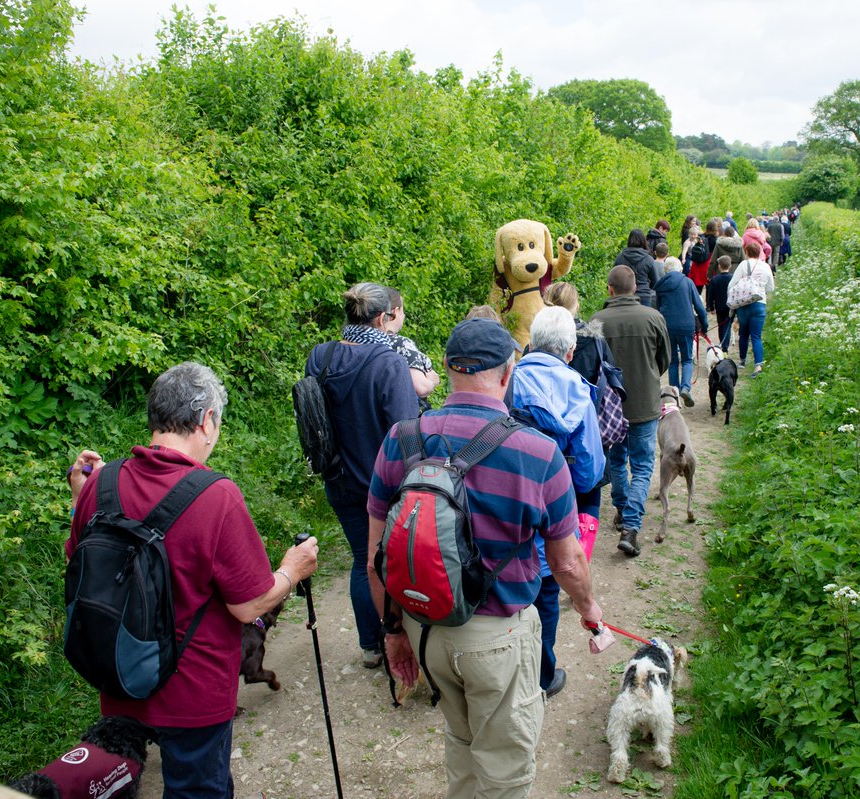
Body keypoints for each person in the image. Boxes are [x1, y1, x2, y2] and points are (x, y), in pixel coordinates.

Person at [367, 318, 603, 799]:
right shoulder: (538, 453)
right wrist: (589, 608)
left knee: (461, 741)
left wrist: (393, 633)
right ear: (508, 372)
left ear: (447, 367)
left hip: (425, 627)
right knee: (505, 772)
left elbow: (377, 558)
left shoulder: (401, 438)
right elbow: (567, 563)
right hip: (497, 640)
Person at [66, 362, 319, 799]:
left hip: (120, 675)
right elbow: (250, 604)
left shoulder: (101, 484)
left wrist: (81, 497)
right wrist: (291, 570)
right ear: (207, 421)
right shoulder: (216, 494)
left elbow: (78, 560)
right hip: (193, 693)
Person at [307, 282, 419, 669]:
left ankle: (371, 645)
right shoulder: (389, 362)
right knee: (399, 561)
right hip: (385, 485)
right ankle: (403, 637)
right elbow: (406, 430)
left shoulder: (320, 356)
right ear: (384, 317)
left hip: (338, 479)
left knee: (363, 561)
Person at [511, 307, 605, 699]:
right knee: (547, 593)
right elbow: (589, 472)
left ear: (531, 343)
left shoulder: (507, 379)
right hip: (551, 509)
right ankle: (542, 675)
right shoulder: (578, 391)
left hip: (504, 505)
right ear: (569, 351)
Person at [591, 265, 669, 558]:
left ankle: (623, 510)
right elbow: (664, 360)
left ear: (610, 289)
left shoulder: (596, 320)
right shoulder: (653, 317)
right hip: (645, 403)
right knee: (643, 465)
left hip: (610, 406)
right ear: (635, 288)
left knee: (616, 459)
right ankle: (631, 527)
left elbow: (592, 364)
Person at [543, 281, 616, 528]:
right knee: (588, 489)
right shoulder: (595, 339)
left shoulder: (538, 338)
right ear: (575, 306)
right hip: (588, 426)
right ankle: (583, 544)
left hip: (548, 429)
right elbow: (611, 378)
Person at [654, 256, 708, 407]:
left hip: (667, 326)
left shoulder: (660, 286)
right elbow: (699, 307)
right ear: (680, 268)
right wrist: (704, 325)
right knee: (687, 359)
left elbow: (658, 308)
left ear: (665, 270)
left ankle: (674, 395)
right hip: (686, 325)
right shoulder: (688, 282)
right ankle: (685, 388)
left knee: (672, 361)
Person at [382, 286, 440, 403]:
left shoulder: (362, 340)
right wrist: (432, 381)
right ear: (395, 312)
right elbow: (421, 388)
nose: (403, 316)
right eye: (402, 311)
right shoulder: (401, 345)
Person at [728, 241, 775, 377]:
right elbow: (771, 288)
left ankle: (742, 360)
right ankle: (758, 365)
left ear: (747, 252)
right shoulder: (765, 266)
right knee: (756, 336)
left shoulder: (743, 265)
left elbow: (732, 284)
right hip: (759, 303)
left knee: (743, 333)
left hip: (743, 304)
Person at [614, 228, 661, 308]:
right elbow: (656, 282)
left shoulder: (620, 257)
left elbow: (614, 277)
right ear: (643, 241)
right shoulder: (648, 259)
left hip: (625, 296)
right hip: (644, 296)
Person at [707, 256, 734, 350]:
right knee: (727, 326)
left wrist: (711, 307)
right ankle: (725, 347)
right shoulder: (733, 278)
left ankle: (722, 343)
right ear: (730, 266)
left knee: (720, 325)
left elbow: (710, 295)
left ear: (719, 266)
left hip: (719, 307)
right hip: (730, 306)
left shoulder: (715, 279)